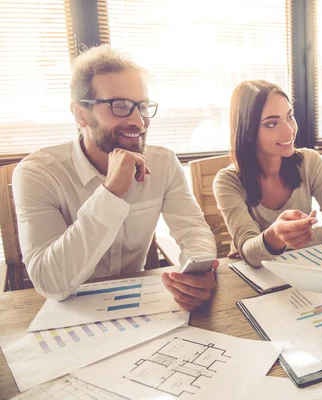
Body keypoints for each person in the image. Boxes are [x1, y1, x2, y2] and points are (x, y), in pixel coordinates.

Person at [13, 45, 217, 311]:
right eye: (119, 106)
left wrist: (197, 271)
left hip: (138, 305)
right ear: (81, 114)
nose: (139, 122)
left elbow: (193, 230)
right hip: (68, 313)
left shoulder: (163, 162)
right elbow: (49, 283)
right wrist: (110, 193)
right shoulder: (37, 173)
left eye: (142, 107)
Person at [213, 80, 322, 267]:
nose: (289, 131)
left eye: (289, 116)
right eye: (272, 124)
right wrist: (271, 238)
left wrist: (276, 242)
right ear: (247, 131)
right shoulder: (228, 181)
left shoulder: (309, 161)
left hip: (302, 269)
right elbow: (250, 253)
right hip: (257, 277)